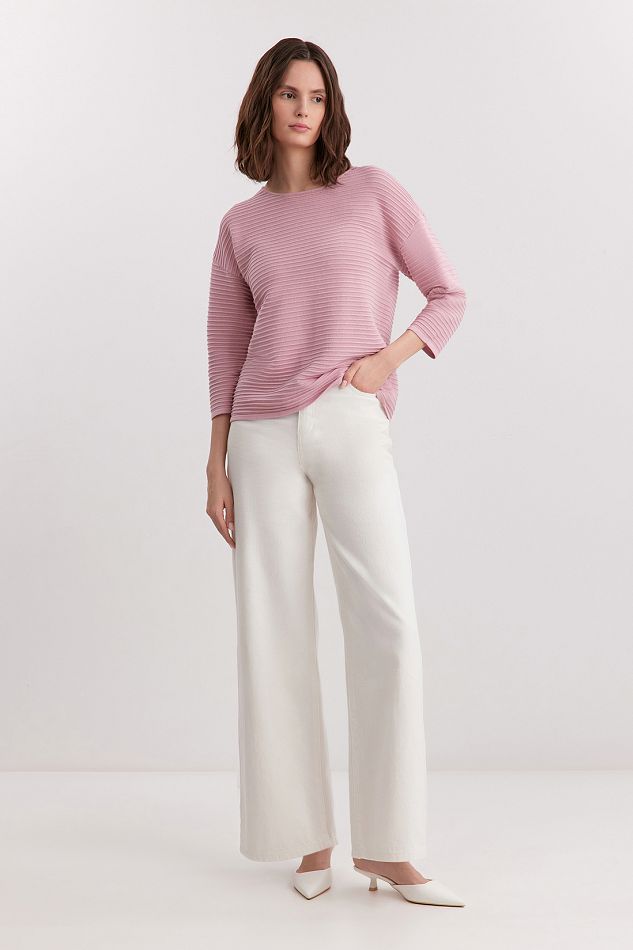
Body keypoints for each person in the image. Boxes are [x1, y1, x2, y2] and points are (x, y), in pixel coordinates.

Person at [205, 37, 467, 907]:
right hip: (261, 433)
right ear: (265, 104)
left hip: (350, 417)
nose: (303, 109)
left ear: (332, 107)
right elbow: (226, 344)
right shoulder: (241, 226)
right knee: (273, 630)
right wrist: (216, 461)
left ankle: (390, 850)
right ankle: (306, 839)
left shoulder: (372, 192)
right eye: (289, 94)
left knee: (387, 622)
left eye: (316, 95)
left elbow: (448, 293)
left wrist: (384, 363)